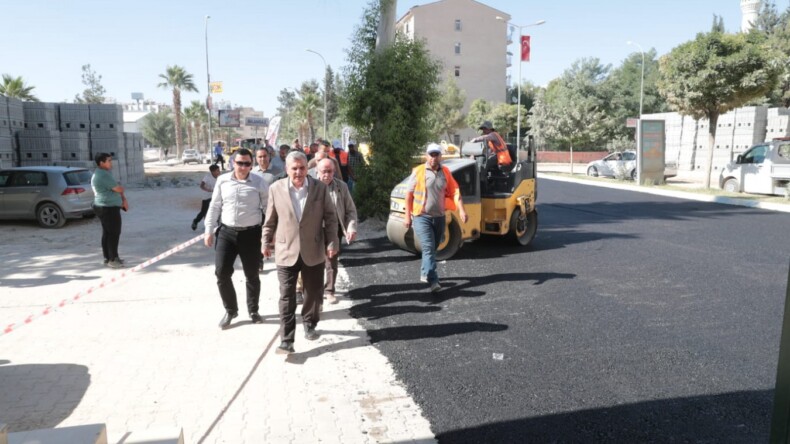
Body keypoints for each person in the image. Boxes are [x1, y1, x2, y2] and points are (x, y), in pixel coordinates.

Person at [263, 151, 339, 354]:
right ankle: (286, 340)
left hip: (313, 248)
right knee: (286, 296)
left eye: (302, 168)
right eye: (294, 168)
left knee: (313, 293)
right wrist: (265, 242)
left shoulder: (320, 189)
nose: (298, 172)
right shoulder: (275, 189)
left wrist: (332, 241)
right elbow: (270, 220)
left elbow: (330, 218)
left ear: (308, 168)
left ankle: (309, 322)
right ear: (287, 169)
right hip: (285, 249)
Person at [204, 148, 269, 329]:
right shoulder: (222, 181)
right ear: (233, 163)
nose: (243, 167)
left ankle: (253, 310)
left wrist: (267, 236)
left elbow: (268, 209)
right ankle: (231, 310)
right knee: (221, 273)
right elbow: (215, 206)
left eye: (247, 163)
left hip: (251, 234)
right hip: (226, 233)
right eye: (240, 163)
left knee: (252, 275)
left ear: (251, 164)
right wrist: (208, 230)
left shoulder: (259, 182)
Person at [404, 143, 468, 293]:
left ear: (440, 156)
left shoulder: (445, 172)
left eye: (436, 155)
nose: (433, 158)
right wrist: (408, 216)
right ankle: (433, 280)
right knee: (428, 247)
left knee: (435, 246)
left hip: (439, 217)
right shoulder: (418, 172)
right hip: (422, 217)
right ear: (426, 156)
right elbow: (409, 195)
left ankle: (425, 270)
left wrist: (462, 211)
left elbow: (455, 192)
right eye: (431, 155)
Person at [316, 158, 357, 304]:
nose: (327, 175)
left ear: (334, 171)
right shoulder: (310, 186)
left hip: (334, 229)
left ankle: (329, 290)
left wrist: (351, 227)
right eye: (323, 171)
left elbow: (350, 210)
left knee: (331, 260)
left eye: (330, 171)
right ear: (317, 171)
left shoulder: (341, 187)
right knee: (313, 262)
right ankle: (312, 290)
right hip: (313, 229)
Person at [91, 152, 129, 269]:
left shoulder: (100, 173)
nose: (111, 163)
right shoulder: (103, 175)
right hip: (108, 208)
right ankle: (112, 259)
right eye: (109, 161)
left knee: (107, 233)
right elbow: (117, 188)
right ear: (101, 163)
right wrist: (122, 192)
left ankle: (109, 257)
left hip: (104, 207)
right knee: (114, 233)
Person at [192, 164, 220, 231]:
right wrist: (208, 190)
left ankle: (218, 226)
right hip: (207, 197)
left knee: (218, 210)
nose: (219, 172)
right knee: (204, 212)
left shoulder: (219, 177)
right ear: (212, 171)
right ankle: (195, 221)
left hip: (215, 196)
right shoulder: (207, 177)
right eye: (217, 170)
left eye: (219, 170)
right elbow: (201, 185)